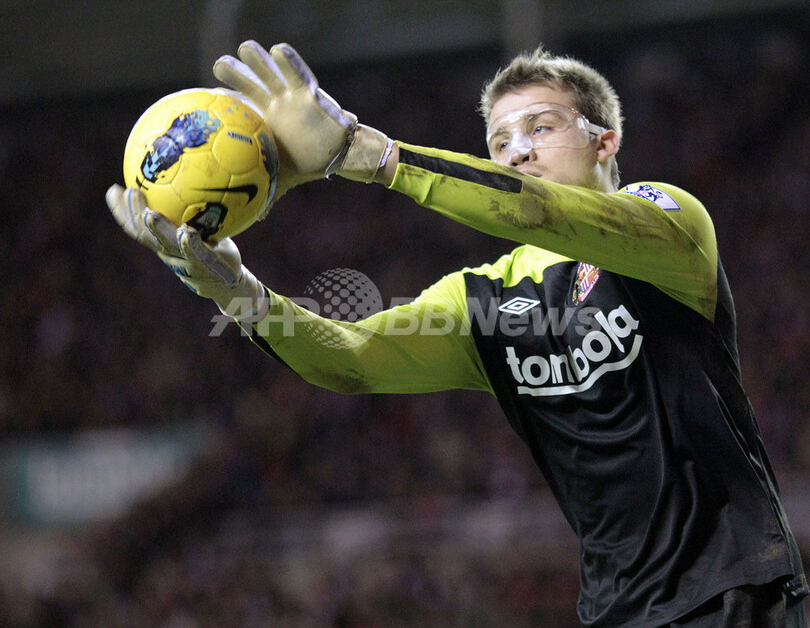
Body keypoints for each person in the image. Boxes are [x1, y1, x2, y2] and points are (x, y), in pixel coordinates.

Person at [106, 41, 809, 627]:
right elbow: (352, 360)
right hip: (614, 609)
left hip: (735, 590)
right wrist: (236, 293)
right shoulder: (486, 298)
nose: (517, 151)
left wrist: (368, 153)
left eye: (540, 127)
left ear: (605, 140)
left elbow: (538, 213)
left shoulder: (668, 220)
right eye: (500, 141)